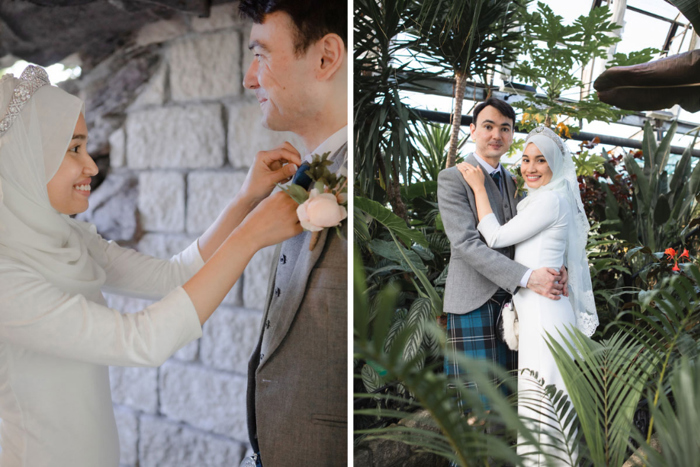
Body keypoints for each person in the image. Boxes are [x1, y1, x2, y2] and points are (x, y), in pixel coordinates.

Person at [0, 65, 302, 467]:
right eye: (73, 149)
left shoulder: (68, 237)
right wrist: (250, 237)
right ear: (23, 159)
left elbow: (173, 276)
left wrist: (245, 199)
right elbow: (139, 341)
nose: (91, 166)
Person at [239, 0, 347, 465]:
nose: (248, 78)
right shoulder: (308, 174)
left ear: (325, 58)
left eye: (260, 54)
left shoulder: (362, 175)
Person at [459, 125, 598, 465]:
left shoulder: (550, 199)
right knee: (541, 403)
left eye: (540, 161)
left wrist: (478, 187)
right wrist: (561, 267)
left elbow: (494, 236)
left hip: (545, 314)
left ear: (554, 165)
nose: (530, 168)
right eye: (525, 159)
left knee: (543, 403)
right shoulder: (542, 199)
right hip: (542, 310)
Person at [436, 98, 567, 416]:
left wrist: (557, 267)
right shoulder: (452, 178)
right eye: (488, 126)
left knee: (508, 404)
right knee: (475, 409)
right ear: (472, 130)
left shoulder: (515, 180)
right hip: (472, 304)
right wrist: (527, 276)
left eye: (505, 128)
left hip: (514, 304)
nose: (496, 134)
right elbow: (466, 244)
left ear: (511, 136)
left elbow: (528, 234)